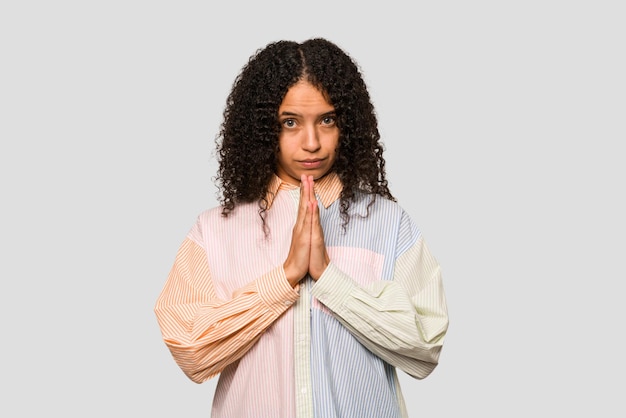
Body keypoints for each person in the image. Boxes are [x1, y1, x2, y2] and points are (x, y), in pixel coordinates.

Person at [154, 37, 449, 418]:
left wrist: (329, 278)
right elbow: (189, 350)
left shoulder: (390, 224)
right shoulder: (214, 231)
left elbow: (424, 348)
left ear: (348, 124)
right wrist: (285, 278)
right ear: (263, 129)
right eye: (290, 122)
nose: (311, 143)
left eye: (327, 120)